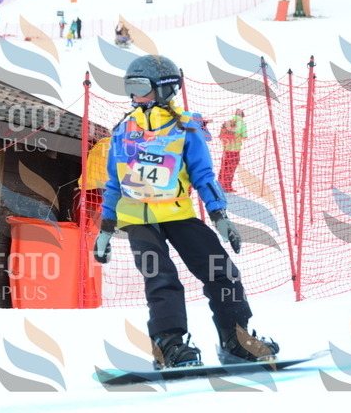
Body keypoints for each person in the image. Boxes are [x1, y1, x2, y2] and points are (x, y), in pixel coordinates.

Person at [93, 55, 279, 370]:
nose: (134, 95)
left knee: (221, 271)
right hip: (138, 220)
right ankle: (170, 346)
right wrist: (106, 229)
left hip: (178, 214)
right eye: (130, 87)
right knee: (161, 278)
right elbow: (114, 183)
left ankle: (236, 339)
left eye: (141, 86)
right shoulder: (123, 131)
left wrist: (220, 216)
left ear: (165, 89)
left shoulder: (185, 127)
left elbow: (203, 176)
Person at [218, 108, 247, 192]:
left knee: (223, 167)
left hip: (226, 149)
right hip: (235, 151)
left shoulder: (228, 122)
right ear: (243, 115)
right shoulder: (242, 123)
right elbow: (244, 136)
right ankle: (227, 187)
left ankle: (219, 185)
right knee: (230, 169)